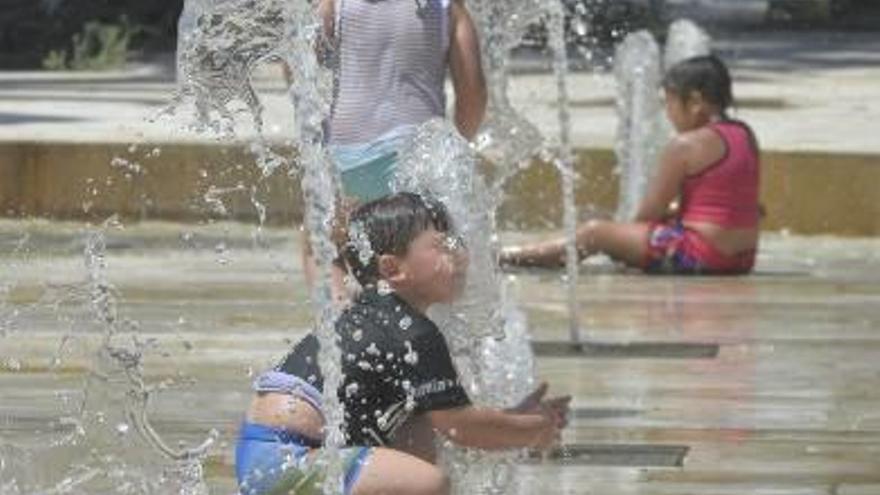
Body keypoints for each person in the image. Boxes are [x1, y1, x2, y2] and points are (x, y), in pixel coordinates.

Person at [236, 192, 570, 495]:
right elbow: (462, 427)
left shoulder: (380, 317)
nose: (461, 255)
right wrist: (533, 429)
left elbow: (455, 422)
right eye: (443, 246)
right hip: (286, 459)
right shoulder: (413, 332)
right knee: (427, 483)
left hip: (272, 458)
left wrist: (510, 419)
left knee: (419, 427)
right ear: (393, 268)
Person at [501, 54, 761, 275]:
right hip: (742, 259)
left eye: (669, 102)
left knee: (596, 233)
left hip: (702, 255)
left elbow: (647, 216)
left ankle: (509, 256)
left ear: (694, 102)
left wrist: (623, 239)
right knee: (647, 227)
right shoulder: (745, 135)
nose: (667, 112)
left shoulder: (685, 146)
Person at [299, 0, 488, 302]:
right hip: (420, 158)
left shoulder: (335, 4)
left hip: (349, 163)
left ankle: (341, 319)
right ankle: (441, 336)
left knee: (322, 245)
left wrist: (315, 138)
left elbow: (300, 67)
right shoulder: (445, 7)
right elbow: (474, 92)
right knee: (445, 252)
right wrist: (459, 143)